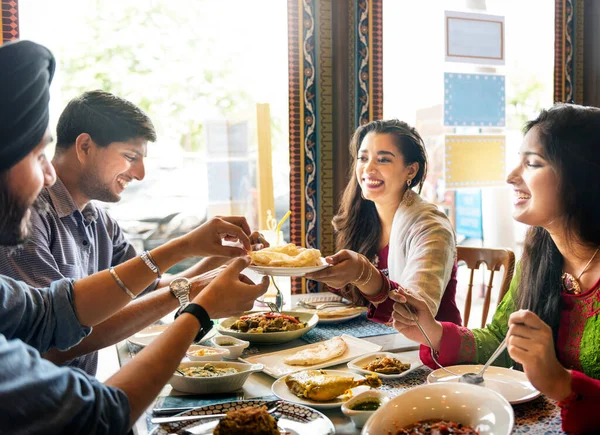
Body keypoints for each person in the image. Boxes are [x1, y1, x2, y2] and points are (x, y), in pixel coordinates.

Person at [0, 40, 269, 434]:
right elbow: (63, 351)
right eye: (38, 155)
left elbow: (56, 311)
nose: (140, 174)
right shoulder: (27, 220)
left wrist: (212, 258)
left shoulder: (97, 221)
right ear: (85, 147)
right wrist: (196, 301)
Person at [390, 104, 600, 434]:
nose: (511, 176)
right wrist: (432, 331)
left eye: (532, 163)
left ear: (582, 176)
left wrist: (562, 384)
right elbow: (501, 342)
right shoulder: (543, 256)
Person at [307, 119, 462, 339]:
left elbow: (414, 313)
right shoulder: (364, 218)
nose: (368, 168)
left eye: (383, 159)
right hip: (381, 341)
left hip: (431, 351)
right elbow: (356, 296)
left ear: (410, 170)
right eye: (363, 158)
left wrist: (362, 274)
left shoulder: (430, 226)